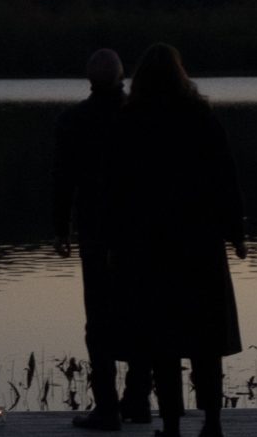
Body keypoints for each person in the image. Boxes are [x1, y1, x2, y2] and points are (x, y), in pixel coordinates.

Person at [118, 44, 246, 437]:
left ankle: (171, 424)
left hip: (152, 245)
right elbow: (226, 178)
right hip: (201, 244)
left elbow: (120, 188)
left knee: (163, 342)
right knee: (206, 340)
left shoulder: (133, 121)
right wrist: (236, 233)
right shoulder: (201, 117)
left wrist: (117, 242)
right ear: (180, 74)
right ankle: (213, 422)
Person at [53, 48, 154, 429]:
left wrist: (60, 228)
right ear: (121, 77)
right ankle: (139, 400)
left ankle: (108, 407)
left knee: (99, 322)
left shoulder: (73, 121)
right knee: (141, 315)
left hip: (95, 233)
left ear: (89, 79)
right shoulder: (143, 118)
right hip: (140, 235)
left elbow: (63, 182)